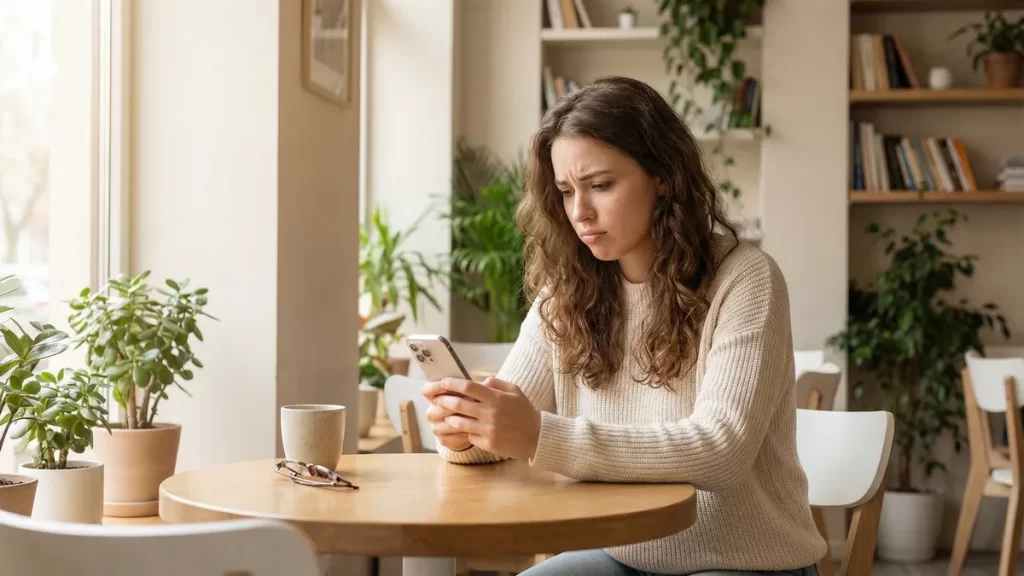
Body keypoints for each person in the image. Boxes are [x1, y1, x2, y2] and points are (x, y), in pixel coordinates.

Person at [421, 76, 827, 576]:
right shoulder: (565, 292)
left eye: (600, 186)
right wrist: (465, 433)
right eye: (567, 191)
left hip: (746, 563)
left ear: (662, 175)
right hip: (621, 555)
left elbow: (721, 451)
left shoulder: (745, 278)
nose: (579, 212)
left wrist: (536, 436)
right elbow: (513, 427)